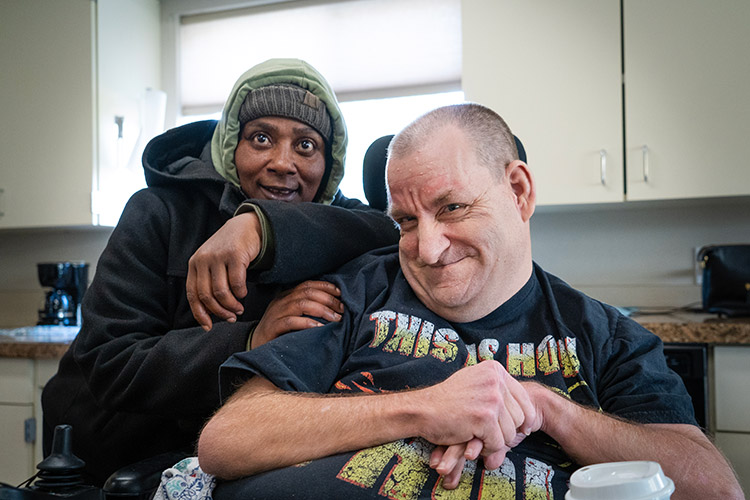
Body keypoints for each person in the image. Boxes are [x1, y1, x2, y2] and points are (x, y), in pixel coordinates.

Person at [196, 103, 743, 499]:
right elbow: (226, 440)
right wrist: (425, 408)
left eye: (453, 207)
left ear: (519, 192)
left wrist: (544, 407)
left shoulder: (603, 335)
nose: (427, 249)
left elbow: (714, 487)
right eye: (406, 221)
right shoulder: (356, 293)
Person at [41, 58, 399, 486]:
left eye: (306, 145)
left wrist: (258, 226)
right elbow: (111, 363)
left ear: (329, 163)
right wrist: (252, 338)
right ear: (230, 145)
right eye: (262, 138)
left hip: (227, 470)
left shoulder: (337, 220)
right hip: (106, 460)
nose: (284, 163)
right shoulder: (157, 212)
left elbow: (386, 229)